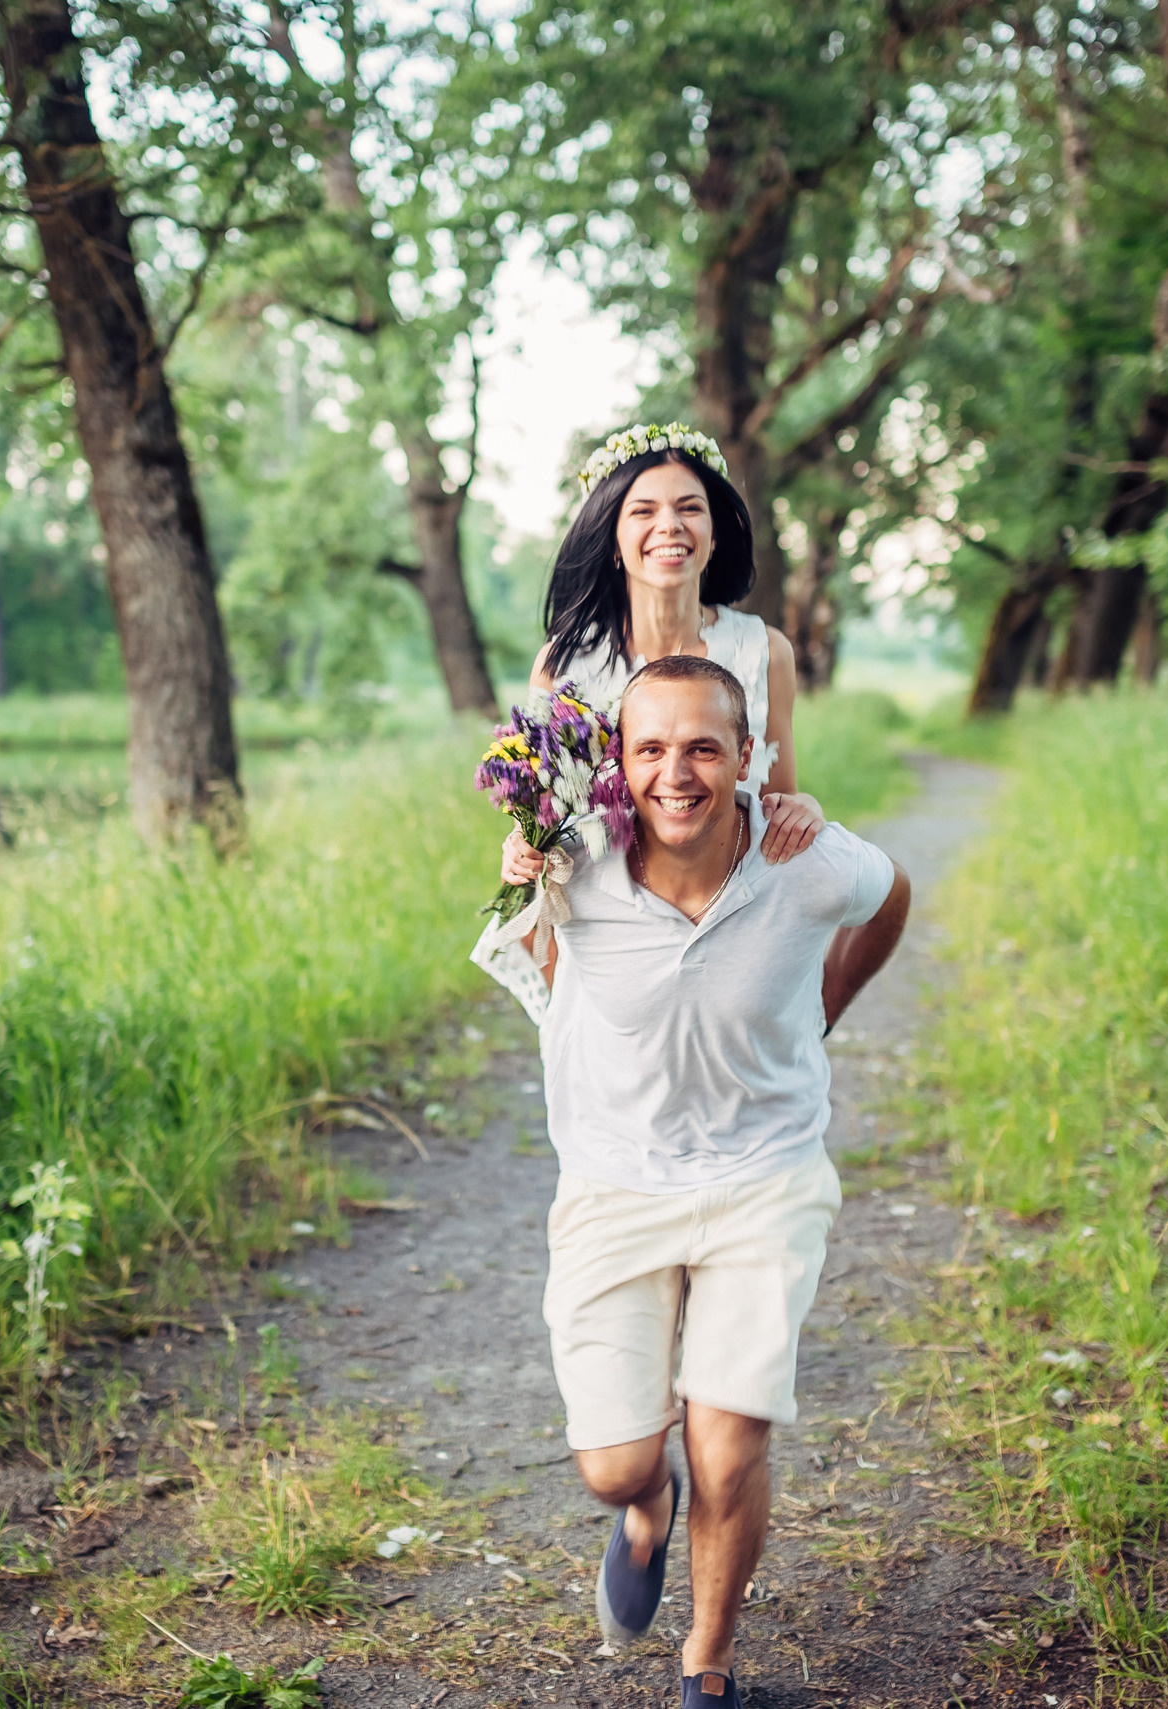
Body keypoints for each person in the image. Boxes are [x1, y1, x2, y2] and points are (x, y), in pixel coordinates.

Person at [527, 651, 910, 1708]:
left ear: (748, 756)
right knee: (613, 1462)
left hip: (764, 1177)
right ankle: (645, 1515)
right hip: (615, 1186)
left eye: (704, 746)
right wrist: (527, 851)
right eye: (650, 747)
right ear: (618, 761)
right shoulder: (578, 861)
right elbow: (531, 953)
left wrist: (831, 994)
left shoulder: (804, 855)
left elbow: (889, 894)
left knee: (727, 1434)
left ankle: (708, 1657)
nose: (676, 771)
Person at [479, 422, 853, 1027]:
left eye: (690, 508)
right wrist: (522, 845)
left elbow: (777, 800)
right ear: (612, 536)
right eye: (644, 510)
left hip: (732, 910)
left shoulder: (765, 651)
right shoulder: (564, 664)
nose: (670, 526)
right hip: (609, 925)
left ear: (713, 534)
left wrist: (801, 806)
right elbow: (541, 814)